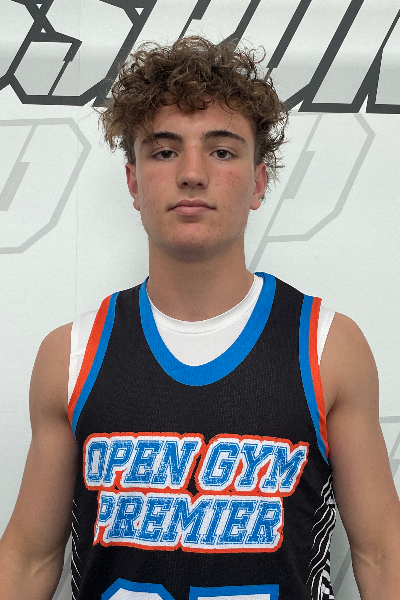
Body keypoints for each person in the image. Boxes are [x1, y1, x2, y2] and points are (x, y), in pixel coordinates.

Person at [0, 36, 399, 600]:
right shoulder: (71, 354)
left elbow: (382, 554)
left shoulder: (328, 346)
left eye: (222, 151)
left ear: (259, 182)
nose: (192, 173)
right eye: (164, 151)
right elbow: (29, 560)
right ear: (133, 182)